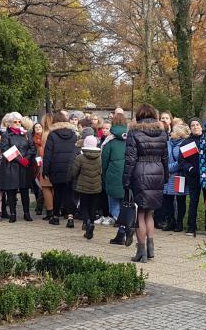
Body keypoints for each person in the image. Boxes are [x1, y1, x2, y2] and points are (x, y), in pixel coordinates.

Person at [123, 104, 169, 263]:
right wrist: (166, 177)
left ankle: (141, 251)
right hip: (157, 172)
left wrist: (126, 180)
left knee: (139, 214)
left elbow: (130, 159)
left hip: (140, 172)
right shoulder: (162, 132)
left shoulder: (134, 132)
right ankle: (151, 248)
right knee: (150, 212)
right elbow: (165, 157)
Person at [42, 113, 78, 227]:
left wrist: (45, 170)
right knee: (69, 193)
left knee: (57, 193)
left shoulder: (52, 135)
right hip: (71, 167)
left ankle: (55, 217)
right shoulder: (73, 134)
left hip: (56, 168)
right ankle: (70, 217)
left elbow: (47, 155)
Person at [0, 112, 36, 222]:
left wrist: (27, 158)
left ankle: (26, 213)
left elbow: (32, 148)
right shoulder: (6, 134)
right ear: (10, 123)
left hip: (25, 166)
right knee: (11, 191)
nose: (18, 123)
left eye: (19, 121)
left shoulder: (26, 134)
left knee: (25, 191)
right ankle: (13, 214)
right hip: (11, 166)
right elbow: (5, 149)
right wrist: (20, 160)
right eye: (15, 122)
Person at [102, 113, 131, 245]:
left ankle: (124, 228)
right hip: (128, 176)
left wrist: (103, 176)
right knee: (126, 206)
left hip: (113, 176)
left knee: (114, 207)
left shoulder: (109, 141)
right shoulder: (130, 139)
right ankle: (122, 233)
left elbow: (104, 161)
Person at [179, 118, 206, 238]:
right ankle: (191, 226)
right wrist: (190, 168)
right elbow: (181, 160)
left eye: (197, 124)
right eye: (193, 125)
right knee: (193, 201)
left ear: (201, 126)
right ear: (190, 128)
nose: (196, 127)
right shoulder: (186, 142)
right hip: (193, 176)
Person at [72, 135, 103, 239]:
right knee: (93, 207)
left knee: (84, 206)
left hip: (83, 186)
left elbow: (74, 172)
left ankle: (88, 223)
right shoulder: (100, 157)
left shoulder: (80, 157)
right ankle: (92, 224)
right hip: (96, 186)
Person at [163, 123, 190, 232]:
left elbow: (181, 162)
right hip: (167, 176)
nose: (171, 132)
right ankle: (170, 221)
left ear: (179, 135)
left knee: (180, 199)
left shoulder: (185, 145)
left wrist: (168, 168)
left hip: (179, 176)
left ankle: (179, 223)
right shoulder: (167, 144)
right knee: (167, 199)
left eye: (173, 131)